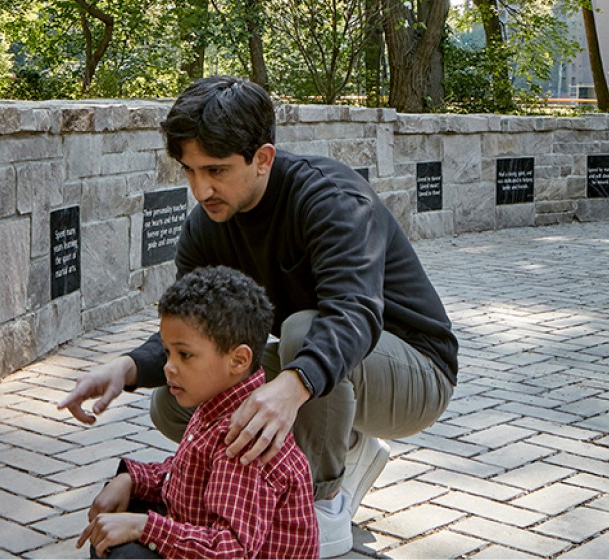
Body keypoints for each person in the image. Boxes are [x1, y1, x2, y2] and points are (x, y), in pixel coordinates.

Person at [56, 76, 458, 558]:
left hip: (414, 370)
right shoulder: (207, 225)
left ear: (263, 158)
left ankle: (322, 496)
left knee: (303, 332)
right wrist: (124, 368)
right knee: (174, 401)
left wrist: (290, 389)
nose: (201, 189)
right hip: (331, 364)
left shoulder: (332, 200)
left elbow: (354, 314)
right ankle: (341, 437)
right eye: (190, 170)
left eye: (217, 170)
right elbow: (194, 329)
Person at [77, 266, 318, 559]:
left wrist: (144, 527)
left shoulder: (244, 439)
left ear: (238, 360)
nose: (169, 367)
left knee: (125, 551)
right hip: (205, 534)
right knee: (114, 519)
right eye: (167, 352)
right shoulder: (218, 402)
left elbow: (230, 552)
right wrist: (130, 479)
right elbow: (186, 475)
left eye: (185, 355)